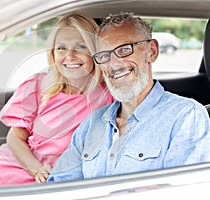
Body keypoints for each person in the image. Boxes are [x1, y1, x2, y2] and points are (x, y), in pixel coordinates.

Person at [47, 12, 210, 182]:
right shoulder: (91, 124)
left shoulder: (186, 116)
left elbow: (186, 191)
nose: (114, 64)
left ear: (151, 51)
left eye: (124, 50)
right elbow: (58, 185)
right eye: (104, 56)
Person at [0, 12, 114, 187]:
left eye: (81, 47)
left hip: (54, 183)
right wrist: (36, 169)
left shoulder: (109, 95)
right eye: (61, 48)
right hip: (12, 167)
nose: (70, 55)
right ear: (53, 53)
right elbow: (15, 138)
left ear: (95, 52)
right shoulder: (38, 85)